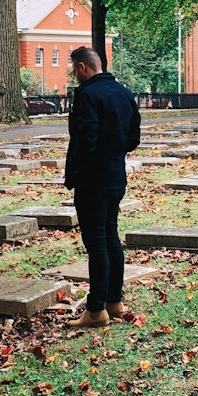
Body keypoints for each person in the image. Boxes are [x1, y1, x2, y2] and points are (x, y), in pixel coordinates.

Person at [63, 45, 141, 328]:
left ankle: (95, 310)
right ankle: (113, 300)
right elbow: (134, 137)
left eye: (74, 70)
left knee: (96, 242)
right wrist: (113, 151)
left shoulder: (87, 95)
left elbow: (85, 139)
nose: (74, 76)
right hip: (115, 175)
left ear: (83, 67)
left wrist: (78, 174)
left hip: (92, 179)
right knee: (110, 236)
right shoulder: (124, 93)